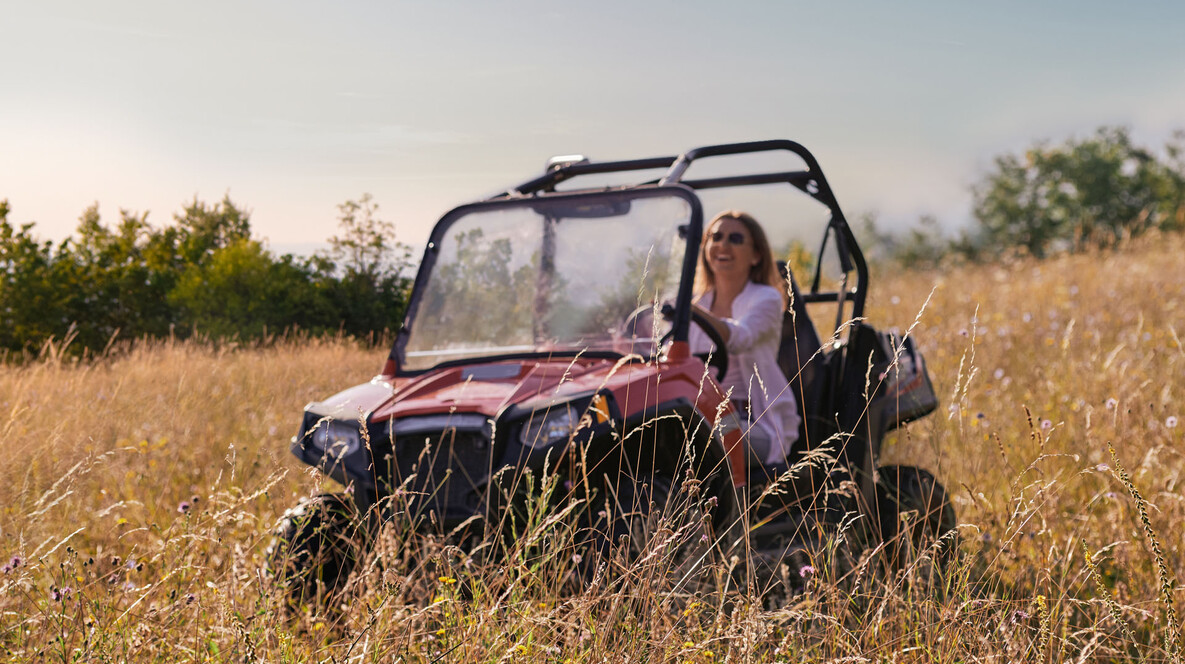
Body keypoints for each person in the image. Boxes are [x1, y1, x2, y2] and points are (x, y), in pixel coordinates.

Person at [688, 210, 801, 466]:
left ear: (756, 255)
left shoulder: (766, 298)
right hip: (697, 411)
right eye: (715, 237)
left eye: (736, 239)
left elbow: (740, 338)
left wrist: (688, 310)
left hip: (750, 419)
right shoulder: (697, 303)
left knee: (706, 437)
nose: (723, 245)